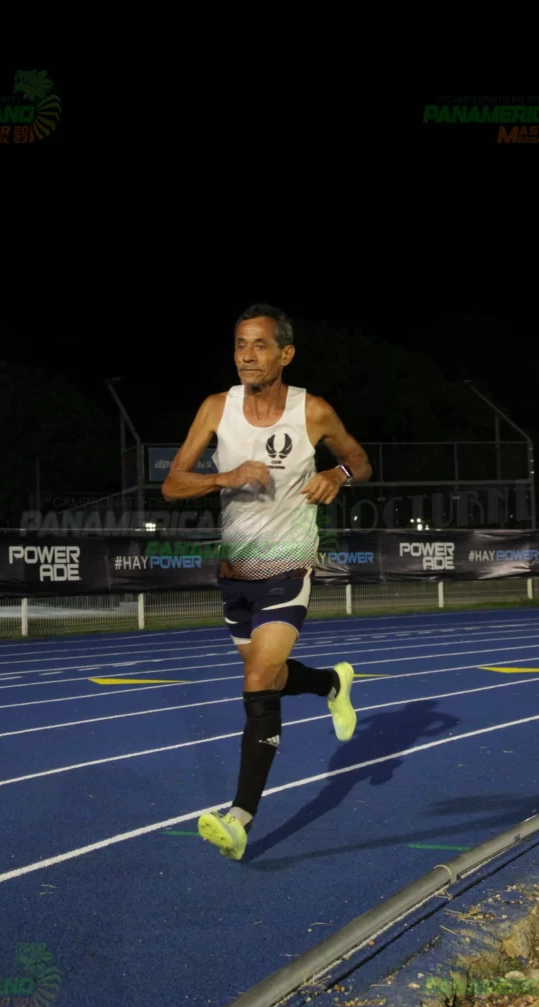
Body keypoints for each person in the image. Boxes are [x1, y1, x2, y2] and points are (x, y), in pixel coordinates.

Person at [162, 303, 372, 860]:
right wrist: (225, 477)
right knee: (271, 677)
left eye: (259, 345)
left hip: (288, 566)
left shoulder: (313, 411)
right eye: (239, 344)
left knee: (258, 678)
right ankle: (331, 684)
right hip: (236, 573)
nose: (246, 356)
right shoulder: (216, 407)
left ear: (286, 353)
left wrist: (336, 473)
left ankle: (239, 818)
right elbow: (173, 484)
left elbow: (360, 461)